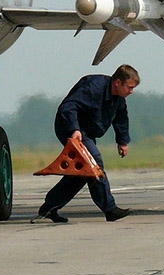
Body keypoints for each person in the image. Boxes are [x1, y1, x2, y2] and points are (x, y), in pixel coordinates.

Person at [35, 64, 139, 223]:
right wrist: (74, 129)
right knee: (94, 162)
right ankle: (110, 209)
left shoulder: (119, 99)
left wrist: (122, 141)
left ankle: (49, 207)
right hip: (69, 127)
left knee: (81, 173)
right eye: (130, 87)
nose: (131, 92)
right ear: (118, 82)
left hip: (86, 133)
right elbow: (68, 107)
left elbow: (121, 119)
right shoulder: (93, 87)